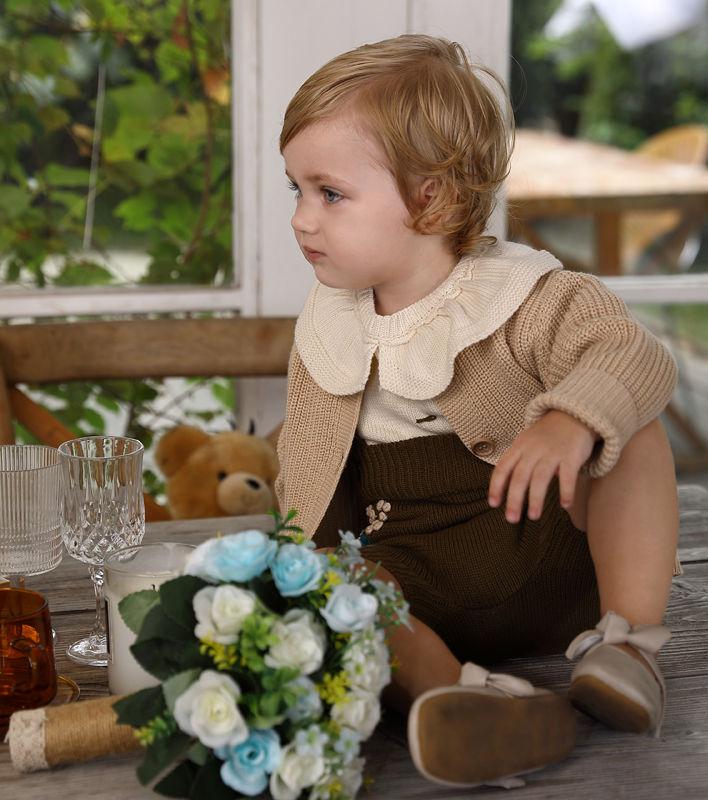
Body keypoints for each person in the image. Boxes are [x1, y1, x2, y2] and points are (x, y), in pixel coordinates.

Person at [275, 33, 680, 790]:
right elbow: (308, 467)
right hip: (419, 582)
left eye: (329, 193)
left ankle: (625, 643)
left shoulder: (531, 298)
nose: (302, 219)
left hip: (544, 556)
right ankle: (458, 702)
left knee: (630, 422)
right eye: (294, 189)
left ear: (429, 197)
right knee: (348, 591)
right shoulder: (327, 325)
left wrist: (569, 420)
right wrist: (309, 568)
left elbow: (638, 355)